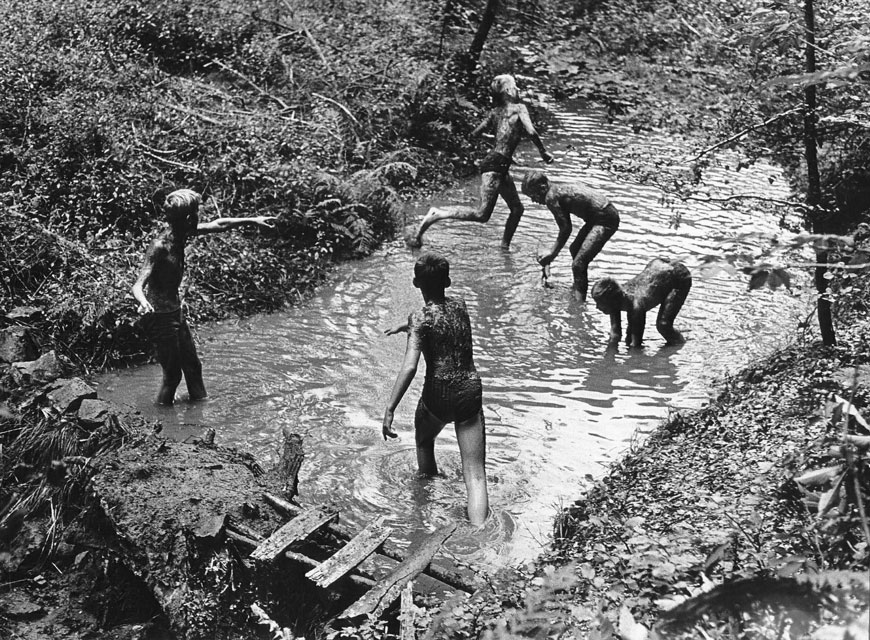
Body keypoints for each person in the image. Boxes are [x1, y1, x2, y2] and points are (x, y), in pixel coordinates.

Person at [131, 188, 276, 405]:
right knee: (172, 376)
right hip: (160, 317)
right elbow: (138, 284)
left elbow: (219, 224)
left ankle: (200, 412)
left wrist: (253, 220)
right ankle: (162, 423)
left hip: (175, 313)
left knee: (193, 366)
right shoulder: (159, 246)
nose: (199, 216)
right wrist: (143, 302)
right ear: (188, 217)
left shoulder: (182, 233)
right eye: (196, 212)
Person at [382, 253, 489, 526]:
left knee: (423, 442)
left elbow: (409, 367)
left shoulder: (419, 318)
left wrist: (390, 408)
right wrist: (407, 327)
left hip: (438, 396)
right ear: (449, 281)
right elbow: (440, 318)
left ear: (416, 283)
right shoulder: (461, 305)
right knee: (475, 474)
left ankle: (425, 510)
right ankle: (480, 532)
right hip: (469, 392)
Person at [408, 74, 554, 249]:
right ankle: (437, 214)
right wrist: (543, 152)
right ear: (508, 91)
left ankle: (504, 248)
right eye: (515, 86)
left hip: (498, 164)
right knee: (481, 214)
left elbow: (475, 133)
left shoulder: (495, 112)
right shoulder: (519, 108)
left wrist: (500, 145)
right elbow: (531, 132)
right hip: (496, 166)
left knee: (517, 209)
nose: (518, 90)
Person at [521, 170, 620, 301]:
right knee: (575, 249)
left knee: (578, 264)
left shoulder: (551, 197)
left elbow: (566, 228)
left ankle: (579, 305)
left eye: (533, 195)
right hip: (602, 214)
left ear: (543, 188)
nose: (534, 200)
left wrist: (552, 253)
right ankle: (577, 288)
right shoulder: (557, 189)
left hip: (605, 218)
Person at [590, 258, 692, 348]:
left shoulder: (636, 307)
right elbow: (615, 334)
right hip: (659, 269)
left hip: (679, 277)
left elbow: (636, 345)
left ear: (612, 302)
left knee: (663, 325)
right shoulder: (615, 300)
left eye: (600, 303)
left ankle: (681, 345)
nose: (597, 307)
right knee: (630, 334)